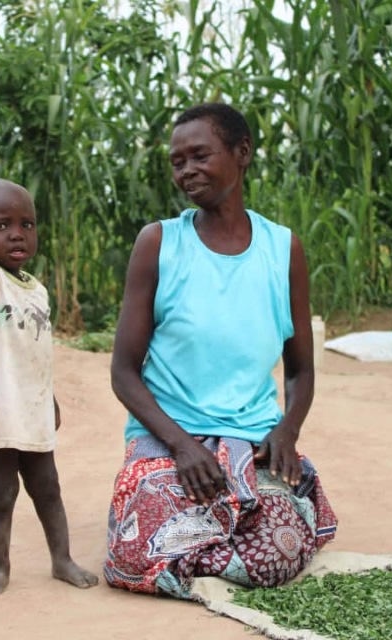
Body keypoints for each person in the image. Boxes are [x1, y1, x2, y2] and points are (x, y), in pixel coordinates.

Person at [104, 103, 337, 598]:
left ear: (242, 153)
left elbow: (300, 371)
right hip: (168, 440)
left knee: (280, 551)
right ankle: (215, 530)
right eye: (177, 161)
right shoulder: (159, 243)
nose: (187, 171)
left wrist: (287, 430)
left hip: (251, 440)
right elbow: (124, 372)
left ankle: (204, 539)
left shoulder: (283, 249)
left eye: (200, 155)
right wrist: (183, 446)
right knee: (136, 545)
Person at [0, 178, 99, 597]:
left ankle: (62, 560)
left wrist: (49, 397)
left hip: (33, 405)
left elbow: (35, 352)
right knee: (1, 493)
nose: (17, 234)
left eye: (27, 224)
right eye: (1, 226)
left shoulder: (36, 289)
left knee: (48, 488)